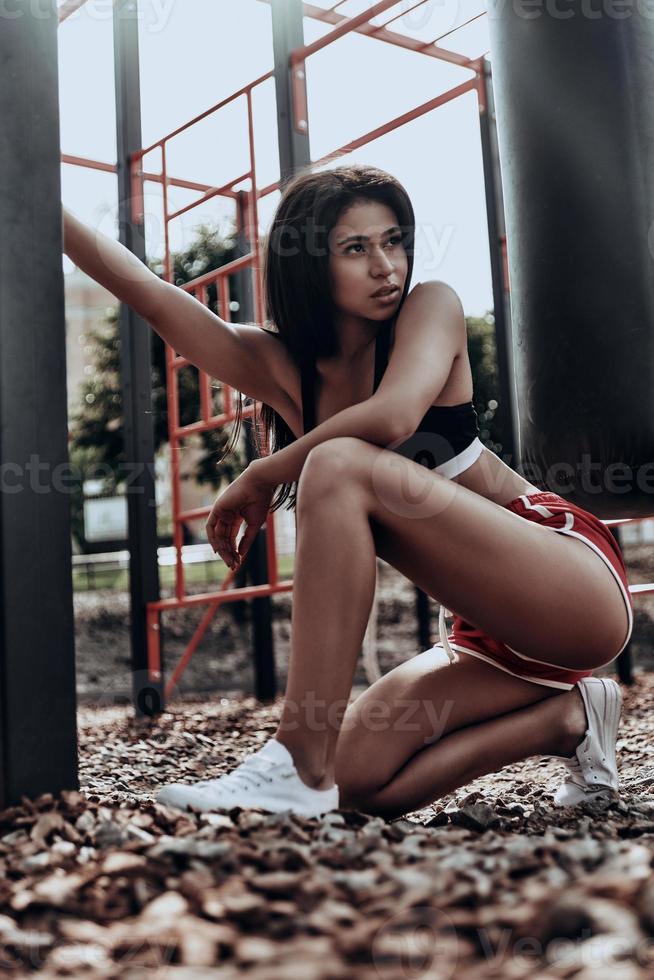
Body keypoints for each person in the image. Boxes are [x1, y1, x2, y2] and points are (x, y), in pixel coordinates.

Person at [62, 164, 633, 821]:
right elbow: (152, 295)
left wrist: (263, 471)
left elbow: (392, 416)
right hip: (488, 638)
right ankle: (570, 719)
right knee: (354, 783)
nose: (386, 266)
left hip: (568, 582)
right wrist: (37, 200)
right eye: (356, 249)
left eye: (393, 241)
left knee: (335, 462)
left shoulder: (430, 309)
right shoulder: (282, 369)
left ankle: (294, 760)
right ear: (308, 264)